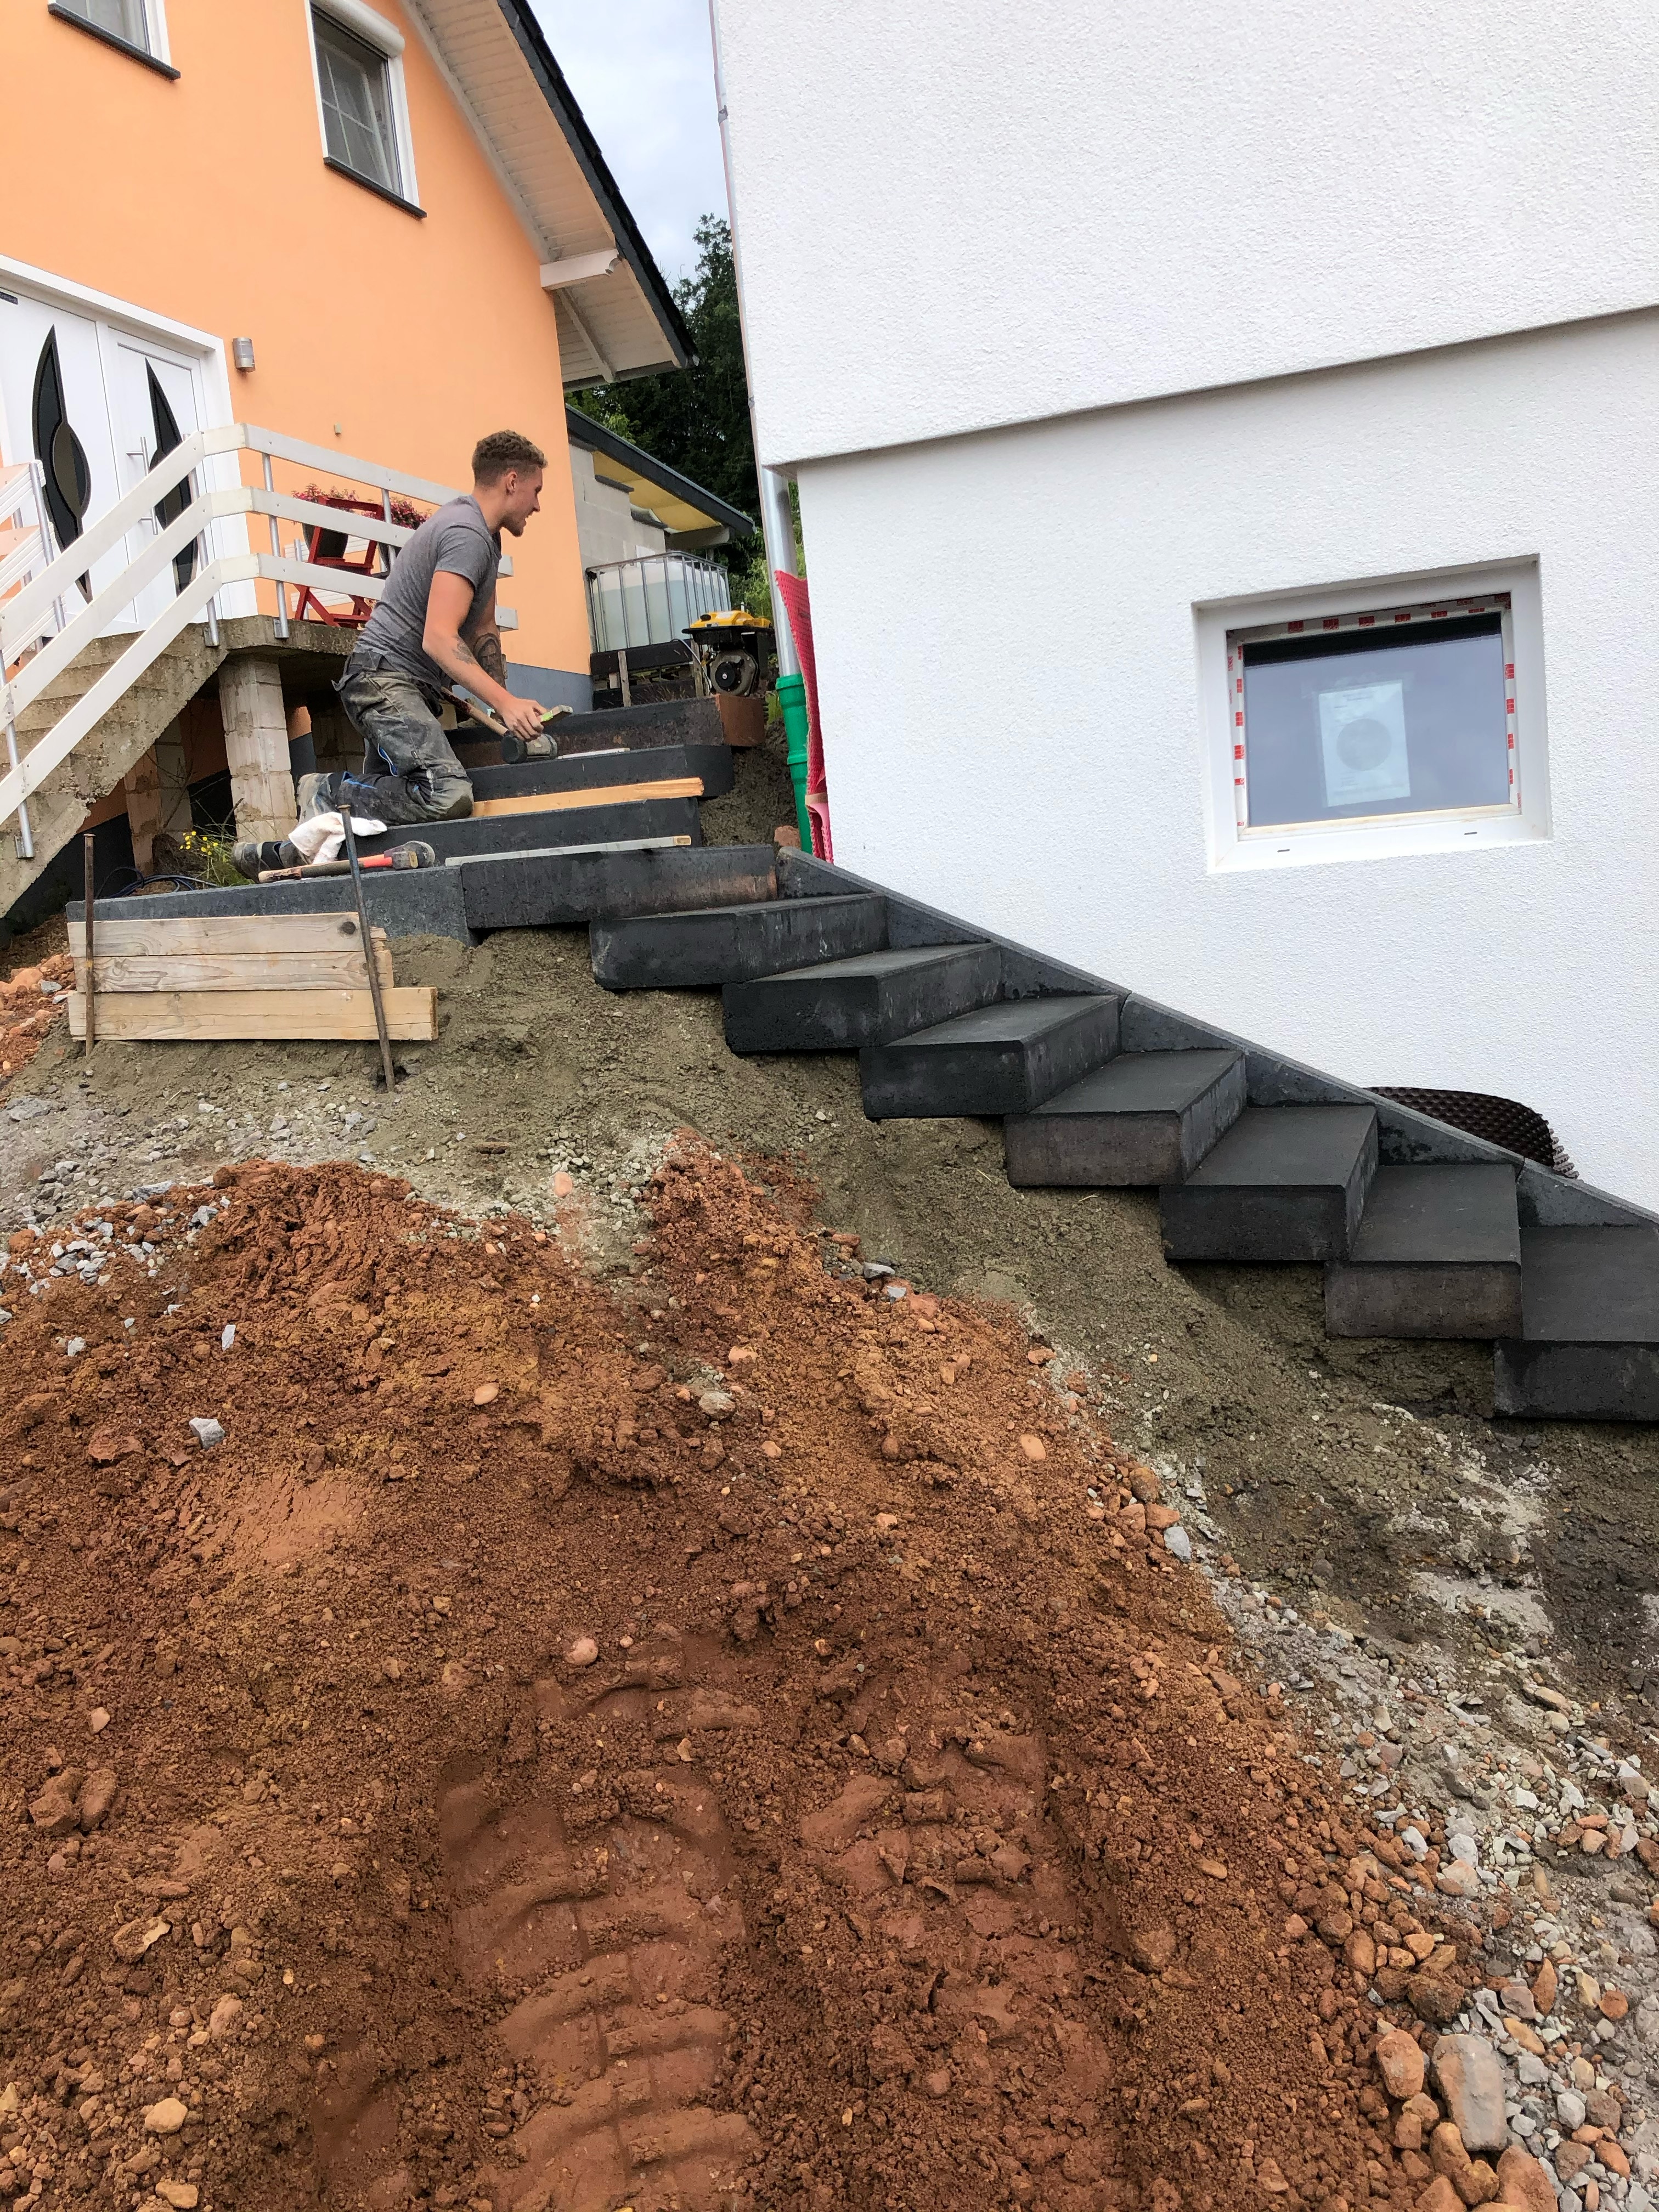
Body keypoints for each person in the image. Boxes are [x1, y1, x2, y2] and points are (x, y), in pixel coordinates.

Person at [307, 428, 552, 827]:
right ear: (512, 481)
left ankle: (289, 848)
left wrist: (501, 706)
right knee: (445, 794)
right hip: (383, 680)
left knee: (387, 815)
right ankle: (330, 792)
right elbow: (439, 638)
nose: (538, 505)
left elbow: (483, 630)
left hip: (404, 684)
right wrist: (508, 705)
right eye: (536, 490)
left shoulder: (486, 539)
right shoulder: (465, 534)